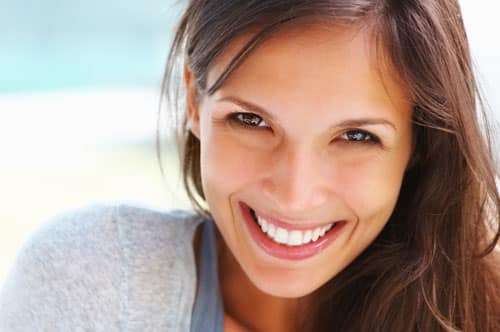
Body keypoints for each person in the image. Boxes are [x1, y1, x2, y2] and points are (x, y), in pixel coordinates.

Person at [1, 0, 499, 331]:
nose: (294, 193)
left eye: (355, 136)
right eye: (250, 120)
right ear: (194, 103)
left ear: (421, 143)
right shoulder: (97, 284)